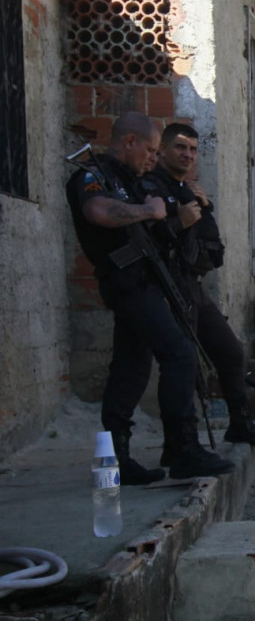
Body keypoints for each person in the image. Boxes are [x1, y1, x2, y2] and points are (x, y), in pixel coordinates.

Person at [65, 113, 232, 482]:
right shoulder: (93, 177)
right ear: (129, 142)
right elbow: (98, 212)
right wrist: (148, 210)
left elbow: (165, 218)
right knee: (178, 353)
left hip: (147, 281)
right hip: (127, 284)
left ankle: (119, 458)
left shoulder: (131, 181)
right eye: (150, 150)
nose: (153, 158)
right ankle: (182, 448)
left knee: (131, 368)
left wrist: (190, 205)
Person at [141, 122, 255, 465]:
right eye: (180, 148)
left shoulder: (188, 190)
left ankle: (240, 424)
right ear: (162, 151)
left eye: (192, 149)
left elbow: (210, 247)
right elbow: (148, 241)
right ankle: (180, 446)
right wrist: (180, 221)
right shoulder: (150, 188)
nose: (187, 155)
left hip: (193, 286)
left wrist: (203, 209)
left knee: (230, 352)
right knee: (182, 364)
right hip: (165, 287)